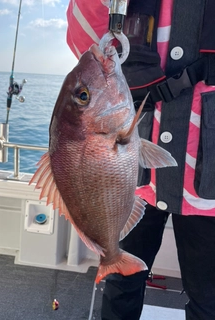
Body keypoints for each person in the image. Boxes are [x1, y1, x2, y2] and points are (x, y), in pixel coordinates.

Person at [66, 1, 215, 319]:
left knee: (208, 295)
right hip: (133, 179)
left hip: (206, 178)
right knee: (121, 286)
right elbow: (83, 44)